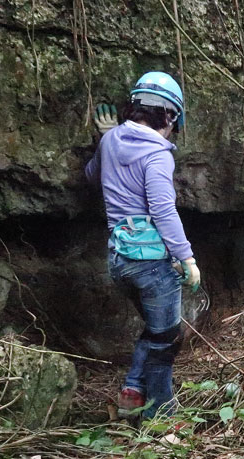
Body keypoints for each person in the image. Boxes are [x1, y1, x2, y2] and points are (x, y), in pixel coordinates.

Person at [86, 71, 201, 419]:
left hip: (118, 259)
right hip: (151, 263)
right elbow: (163, 210)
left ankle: (132, 394)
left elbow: (91, 176)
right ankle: (161, 417)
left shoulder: (110, 141)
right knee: (167, 340)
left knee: (155, 330)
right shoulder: (157, 154)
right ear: (170, 116)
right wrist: (187, 257)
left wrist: (108, 142)